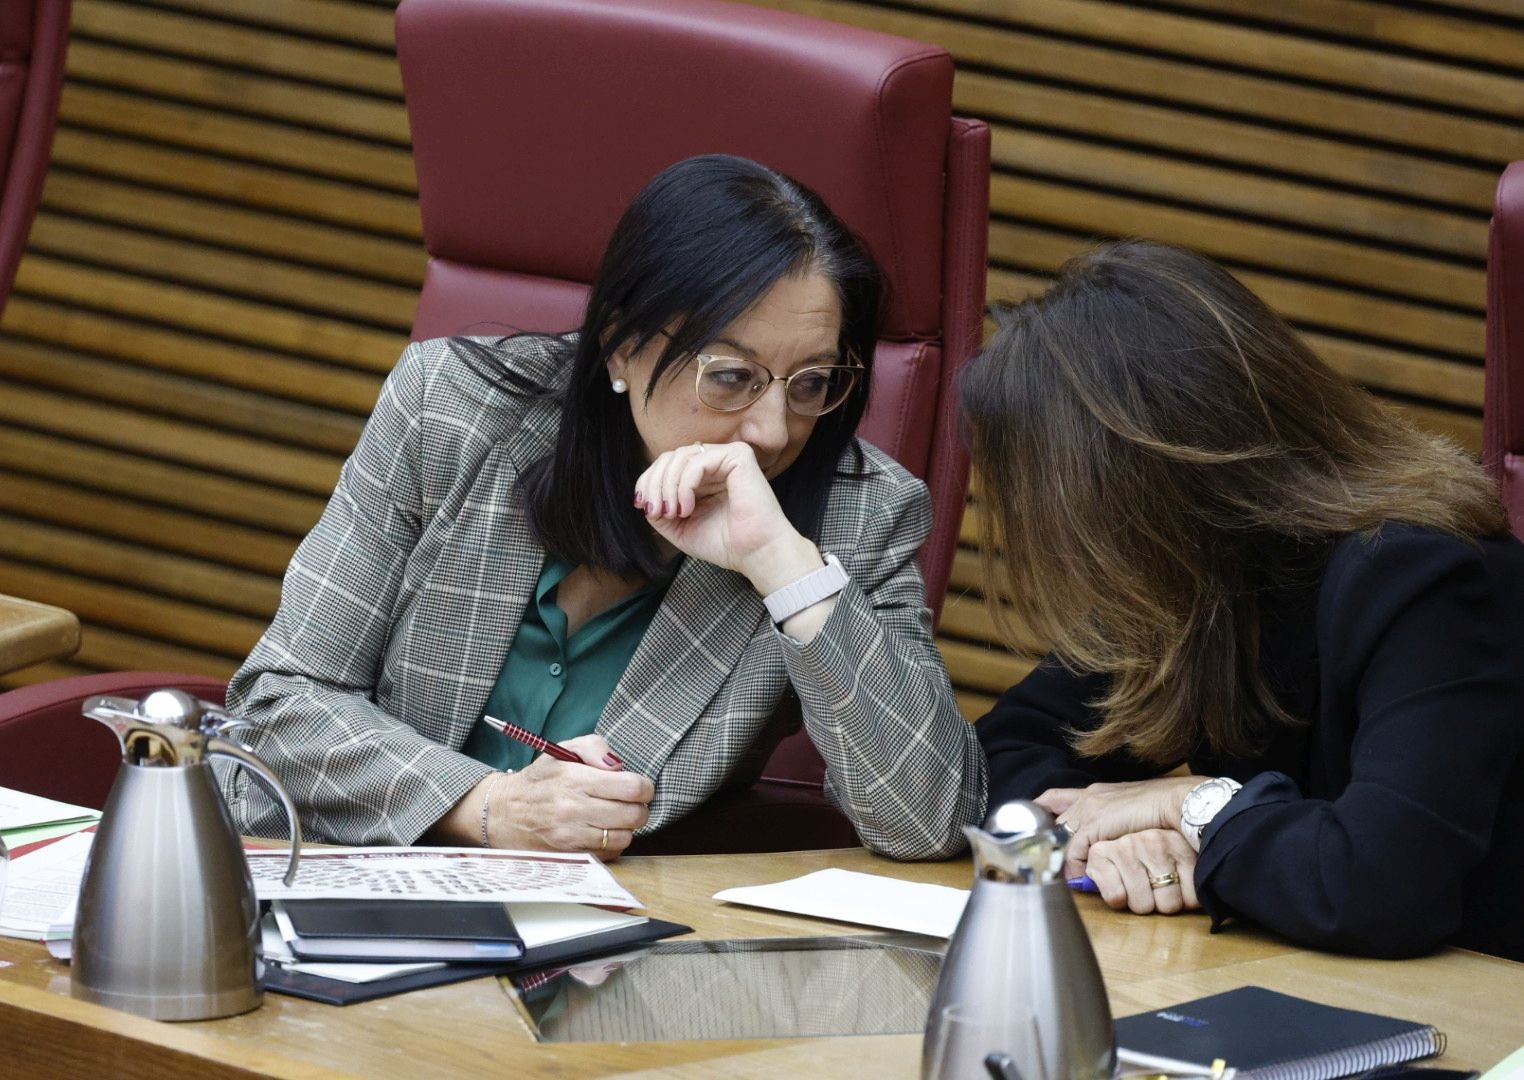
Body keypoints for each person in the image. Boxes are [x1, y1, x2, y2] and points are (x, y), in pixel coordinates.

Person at [223, 154, 980, 862]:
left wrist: (783, 565)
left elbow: (928, 819)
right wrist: (489, 807)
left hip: (606, 952)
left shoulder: (857, 516)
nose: (774, 431)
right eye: (730, 377)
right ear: (620, 344)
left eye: (810, 383)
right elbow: (281, 704)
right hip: (345, 883)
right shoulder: (451, 411)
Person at [963, 239, 1524, 961]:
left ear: (1147, 481)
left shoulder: (1428, 577)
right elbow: (999, 758)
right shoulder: (1191, 578)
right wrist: (1114, 837)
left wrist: (1190, 806)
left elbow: (1382, 884)